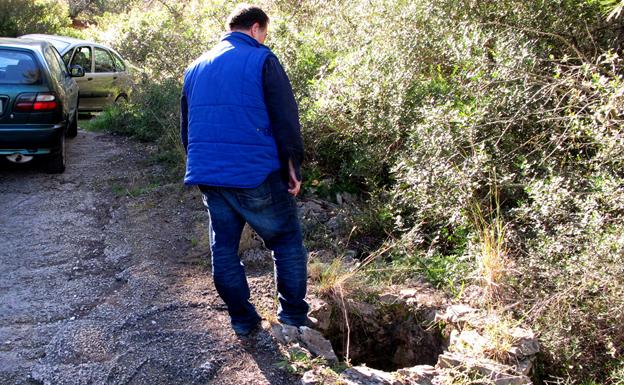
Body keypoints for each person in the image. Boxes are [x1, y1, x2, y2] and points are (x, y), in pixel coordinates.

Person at [180, 4, 309, 336]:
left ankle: (242, 320)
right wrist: (293, 164)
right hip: (256, 172)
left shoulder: (194, 67)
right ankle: (293, 318)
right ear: (255, 28)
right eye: (264, 33)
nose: (265, 39)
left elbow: (187, 128)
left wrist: (200, 165)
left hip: (209, 173)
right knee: (285, 240)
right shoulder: (262, 59)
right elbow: (285, 118)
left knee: (224, 248)